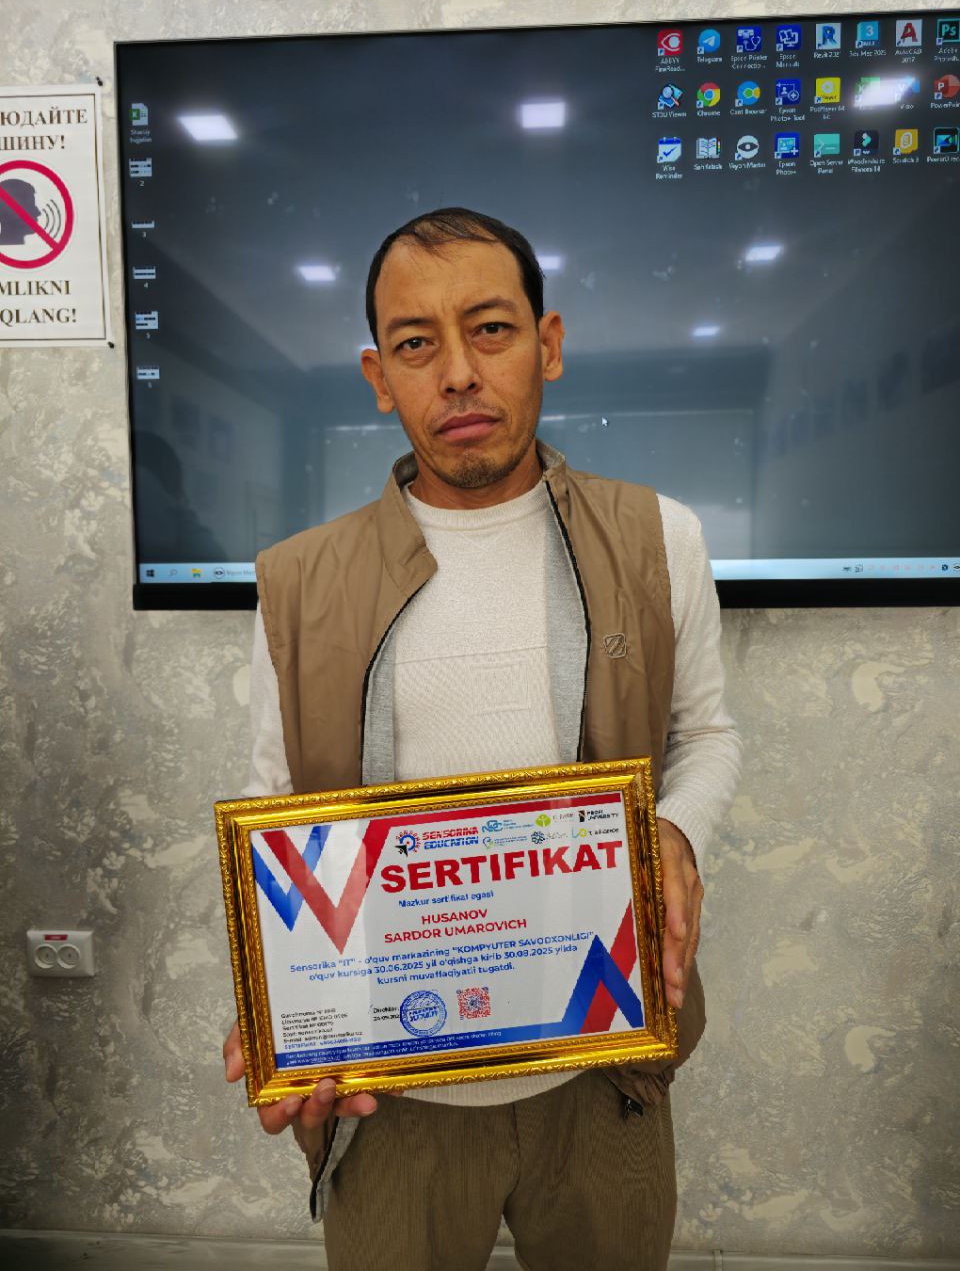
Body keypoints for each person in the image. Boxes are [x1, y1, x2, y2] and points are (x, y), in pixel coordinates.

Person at [223, 207, 741, 1271]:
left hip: (603, 1074)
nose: (457, 372)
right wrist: (283, 1000)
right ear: (380, 376)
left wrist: (676, 832)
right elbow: (279, 812)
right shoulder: (299, 582)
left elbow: (706, 734)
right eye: (416, 343)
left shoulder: (658, 536)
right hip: (392, 1092)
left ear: (547, 344)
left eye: (491, 329)